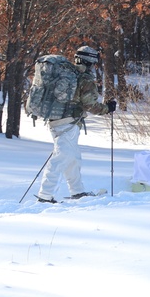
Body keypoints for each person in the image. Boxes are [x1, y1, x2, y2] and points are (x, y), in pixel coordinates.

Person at [36, 45, 116, 203]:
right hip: (69, 123)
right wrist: (107, 108)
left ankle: (77, 191)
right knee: (61, 157)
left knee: (72, 158)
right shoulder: (84, 78)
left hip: (56, 120)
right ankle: (45, 195)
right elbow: (90, 105)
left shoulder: (67, 74)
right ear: (90, 62)